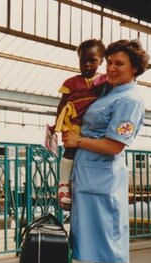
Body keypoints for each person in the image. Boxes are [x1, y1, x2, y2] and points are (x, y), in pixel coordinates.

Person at [62, 39, 149, 263]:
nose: (111, 68)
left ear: (135, 68)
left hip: (104, 179)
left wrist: (78, 139)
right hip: (89, 175)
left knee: (112, 238)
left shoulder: (130, 99)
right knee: (99, 236)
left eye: (119, 63)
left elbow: (115, 145)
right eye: (109, 62)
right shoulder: (108, 91)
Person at [53, 39, 108, 210]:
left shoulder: (104, 82)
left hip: (94, 128)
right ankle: (63, 185)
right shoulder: (71, 82)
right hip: (75, 123)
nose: (87, 64)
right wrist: (57, 125)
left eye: (92, 60)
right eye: (83, 60)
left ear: (101, 61)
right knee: (70, 151)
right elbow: (62, 103)